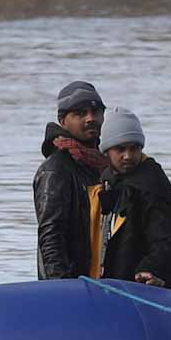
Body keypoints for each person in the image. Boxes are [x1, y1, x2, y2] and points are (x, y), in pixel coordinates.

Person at [95, 109, 171, 288]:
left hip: (146, 283)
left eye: (134, 148)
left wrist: (152, 270)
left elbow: (167, 238)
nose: (128, 156)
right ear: (107, 151)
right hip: (117, 280)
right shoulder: (109, 182)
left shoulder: (152, 186)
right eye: (120, 149)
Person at [34, 80, 108, 280]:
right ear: (63, 121)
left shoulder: (108, 164)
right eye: (80, 113)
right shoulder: (55, 170)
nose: (90, 118)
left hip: (103, 281)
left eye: (96, 112)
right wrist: (61, 286)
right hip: (72, 285)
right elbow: (51, 235)